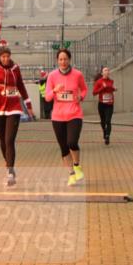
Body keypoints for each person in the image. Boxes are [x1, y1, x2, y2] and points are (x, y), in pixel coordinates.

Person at [0, 20, 35, 186]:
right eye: (3, 56)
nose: (5, 59)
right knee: (2, 140)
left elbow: (21, 86)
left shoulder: (15, 68)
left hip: (13, 106)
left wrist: (29, 106)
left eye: (7, 56)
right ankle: (8, 165)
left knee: (9, 139)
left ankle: (10, 172)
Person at [44, 48, 88, 186]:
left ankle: (77, 165)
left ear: (69, 60)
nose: (63, 62)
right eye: (60, 59)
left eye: (65, 59)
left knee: (72, 142)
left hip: (74, 114)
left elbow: (84, 89)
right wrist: (54, 90)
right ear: (57, 61)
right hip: (58, 116)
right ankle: (71, 174)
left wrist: (81, 97)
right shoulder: (52, 76)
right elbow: (47, 97)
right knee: (63, 147)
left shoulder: (78, 74)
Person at [92, 66, 116, 145]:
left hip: (110, 104)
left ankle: (107, 136)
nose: (107, 71)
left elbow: (111, 89)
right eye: (105, 70)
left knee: (108, 121)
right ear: (102, 73)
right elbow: (94, 93)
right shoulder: (99, 82)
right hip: (102, 104)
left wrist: (114, 89)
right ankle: (104, 132)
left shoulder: (111, 81)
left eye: (108, 70)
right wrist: (102, 88)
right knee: (103, 121)